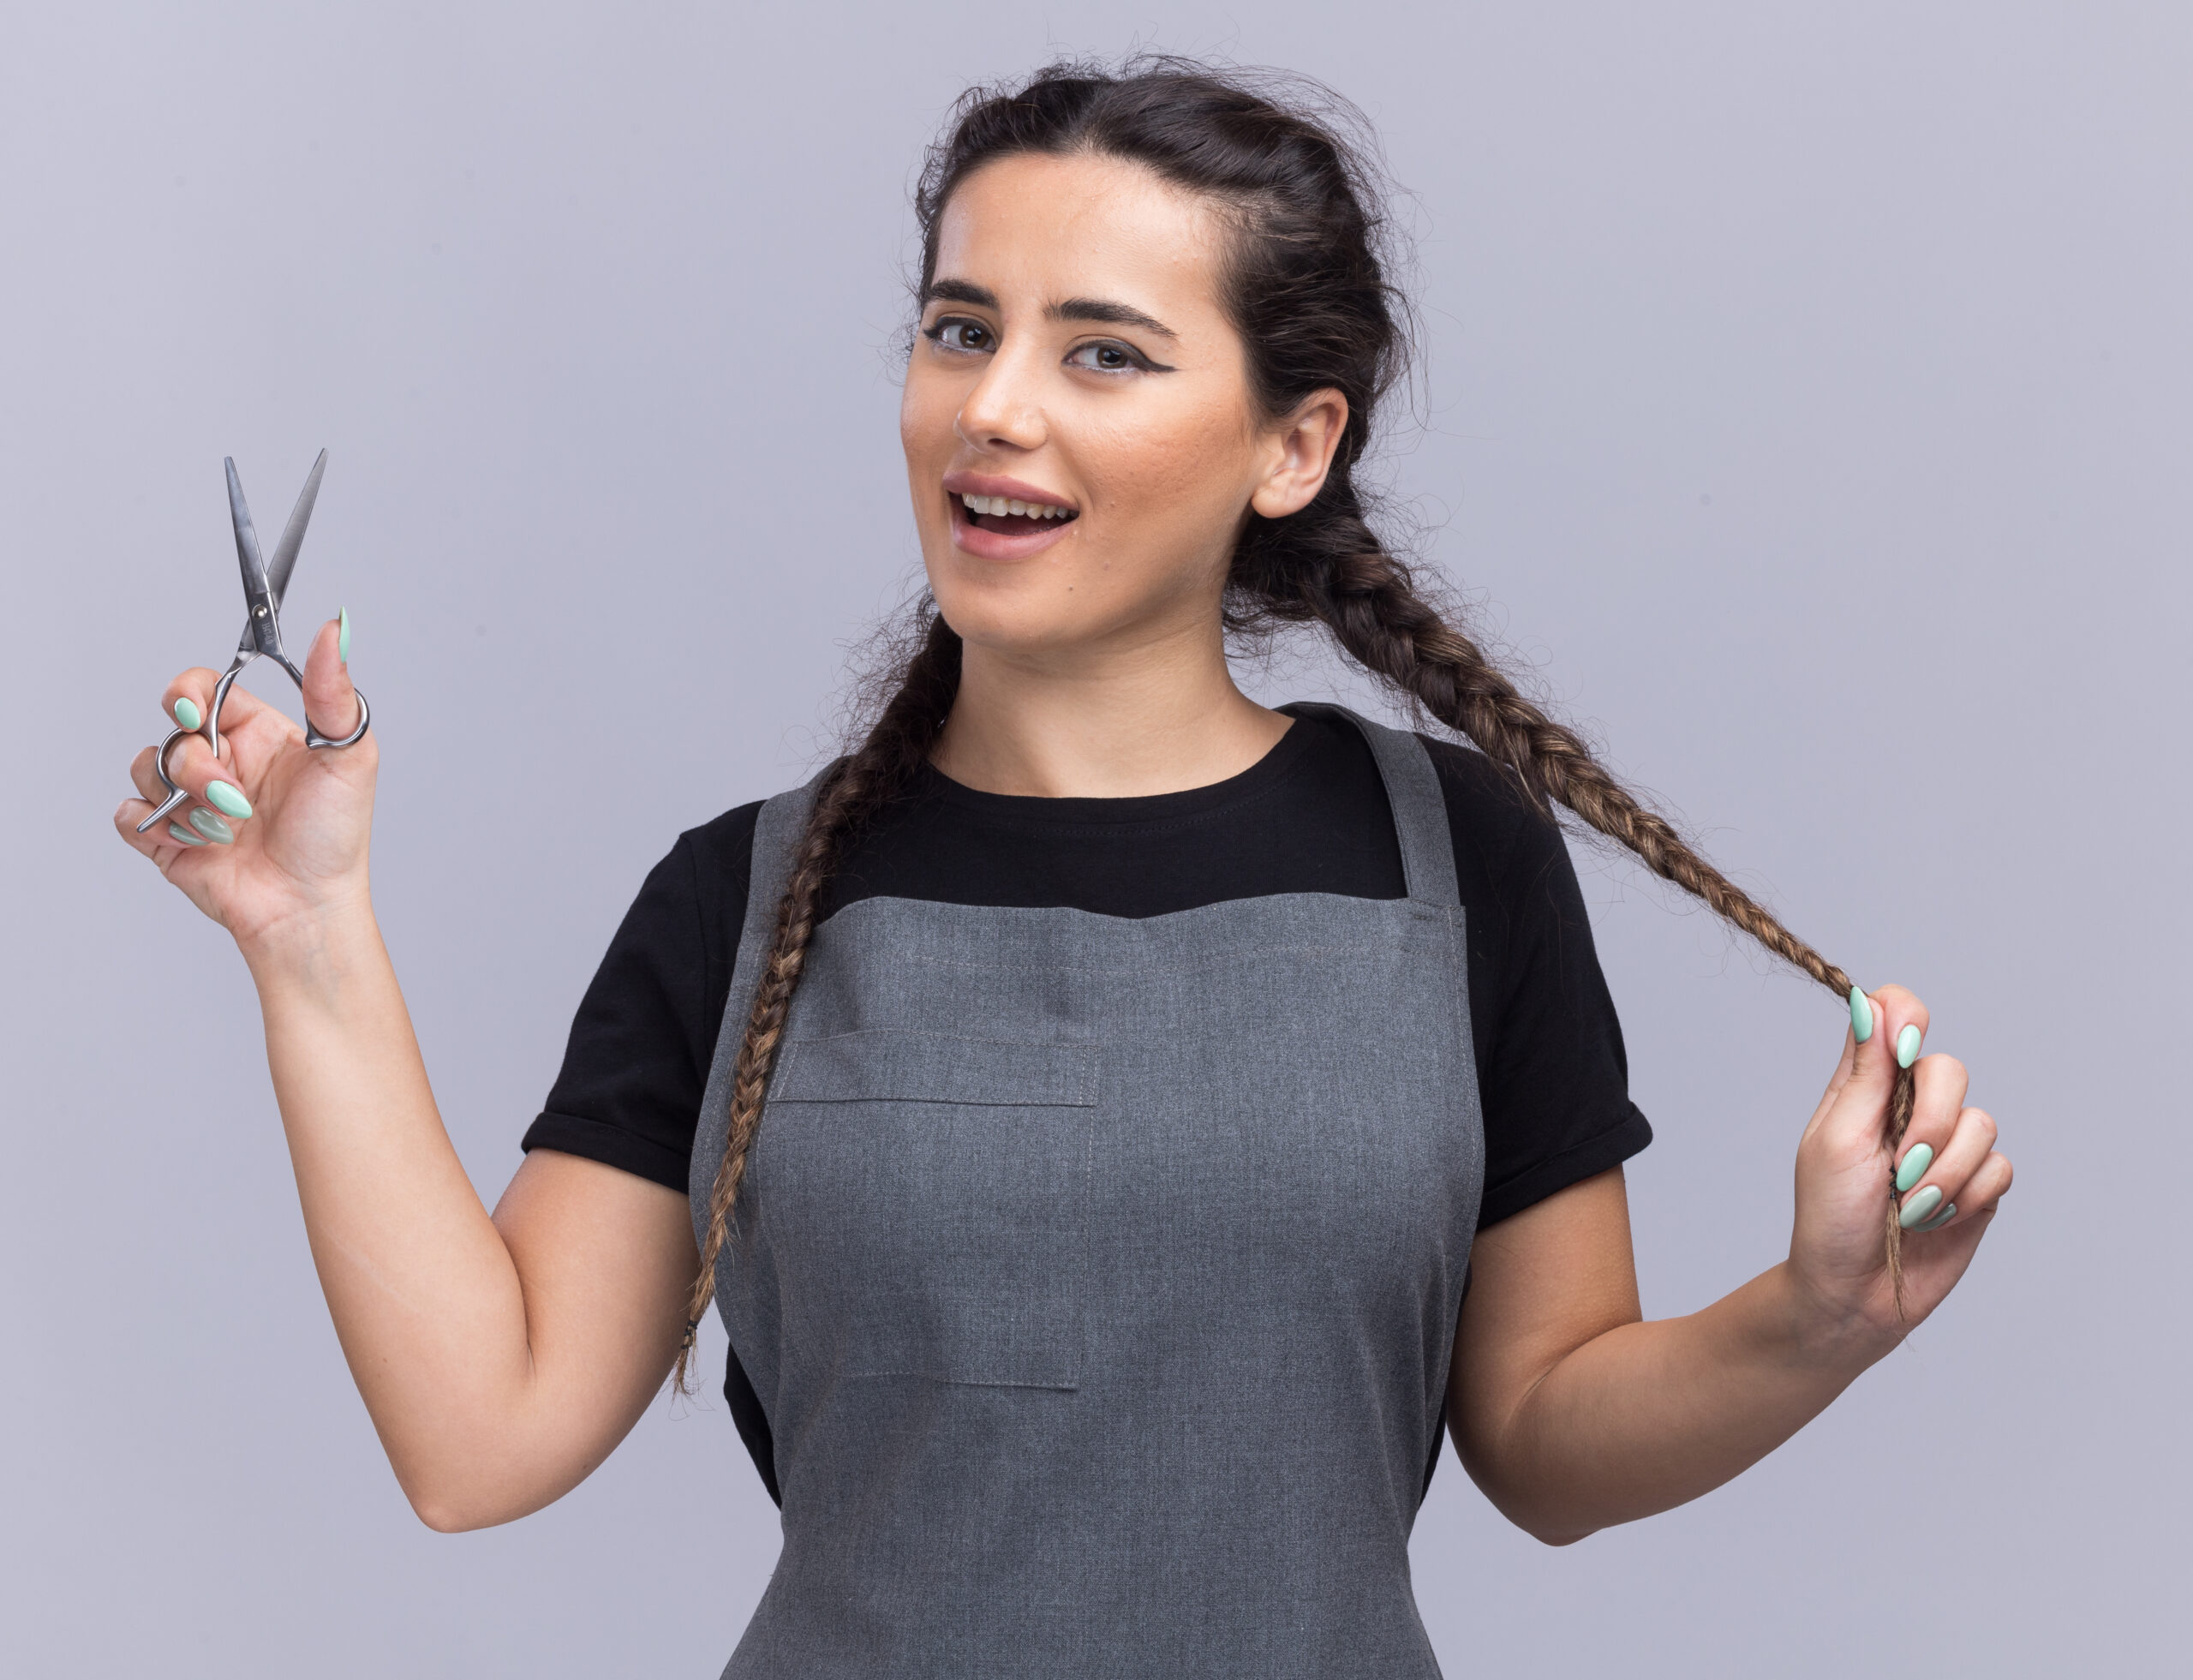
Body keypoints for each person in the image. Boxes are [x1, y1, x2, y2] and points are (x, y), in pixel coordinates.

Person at [116, 57, 2012, 1680]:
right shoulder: (747, 899)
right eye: (961, 328)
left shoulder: (1456, 863)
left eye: (1100, 351)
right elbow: (479, 1438)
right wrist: (306, 937)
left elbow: (1541, 1439)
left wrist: (1811, 1316)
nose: (992, 405)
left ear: (1291, 443)